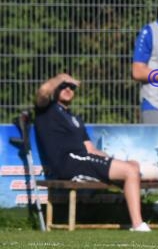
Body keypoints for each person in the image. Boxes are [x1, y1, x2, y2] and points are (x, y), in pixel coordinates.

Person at [33, 73, 151, 232]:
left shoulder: (75, 119)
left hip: (82, 159)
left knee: (132, 166)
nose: (68, 89)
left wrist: (116, 162)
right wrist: (61, 78)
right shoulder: (47, 110)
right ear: (55, 87)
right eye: (63, 86)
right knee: (129, 171)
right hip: (68, 163)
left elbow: (91, 150)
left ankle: (134, 215)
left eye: (72, 86)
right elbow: (42, 92)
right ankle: (138, 225)